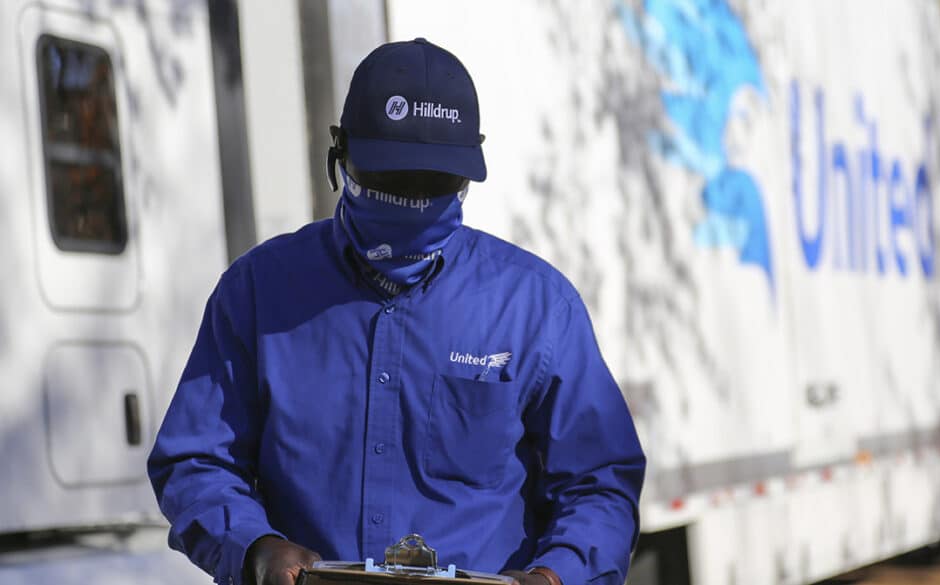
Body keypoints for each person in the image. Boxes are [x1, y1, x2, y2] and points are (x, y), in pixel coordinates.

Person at [147, 38, 645, 585]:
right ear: (340, 155)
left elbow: (599, 482)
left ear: (469, 175)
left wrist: (556, 576)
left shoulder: (536, 309)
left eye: (433, 185)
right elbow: (196, 460)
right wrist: (253, 546)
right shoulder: (259, 294)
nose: (412, 200)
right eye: (391, 179)